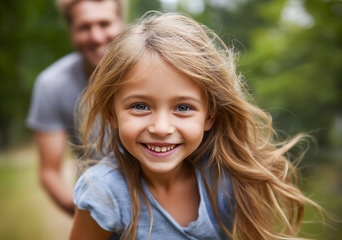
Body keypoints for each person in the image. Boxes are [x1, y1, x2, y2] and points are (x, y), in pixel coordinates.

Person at [70, 12, 321, 239]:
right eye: (140, 106)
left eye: (183, 108)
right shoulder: (104, 192)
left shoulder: (225, 175)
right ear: (111, 114)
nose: (161, 127)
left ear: (209, 115)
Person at [26, 0, 125, 216]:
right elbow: (49, 173)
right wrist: (92, 217)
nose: (96, 37)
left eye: (105, 23)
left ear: (121, 24)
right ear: (71, 31)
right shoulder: (52, 85)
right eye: (84, 27)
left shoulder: (151, 72)